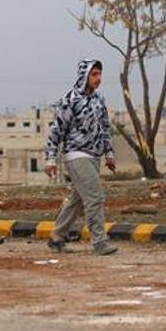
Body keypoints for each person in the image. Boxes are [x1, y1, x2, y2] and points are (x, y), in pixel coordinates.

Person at [44, 59, 118, 256]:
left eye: (100, 74)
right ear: (84, 76)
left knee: (77, 199)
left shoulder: (99, 99)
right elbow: (57, 131)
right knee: (95, 196)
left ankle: (57, 237)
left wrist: (109, 154)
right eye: (94, 74)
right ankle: (100, 242)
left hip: (94, 156)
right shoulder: (71, 100)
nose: (98, 78)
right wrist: (50, 159)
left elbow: (104, 128)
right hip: (76, 154)